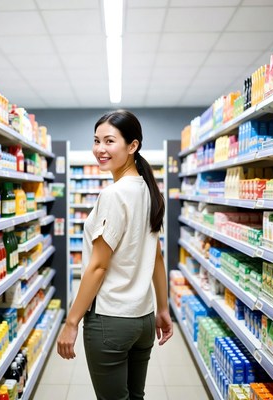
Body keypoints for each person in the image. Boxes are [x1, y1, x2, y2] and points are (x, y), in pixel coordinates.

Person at [57, 109, 173, 399]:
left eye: (109, 141)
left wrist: (71, 323)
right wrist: (162, 308)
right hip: (143, 318)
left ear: (132, 146)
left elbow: (98, 267)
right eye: (96, 141)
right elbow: (156, 257)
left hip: (110, 319)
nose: (100, 149)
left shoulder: (114, 195)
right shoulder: (148, 190)